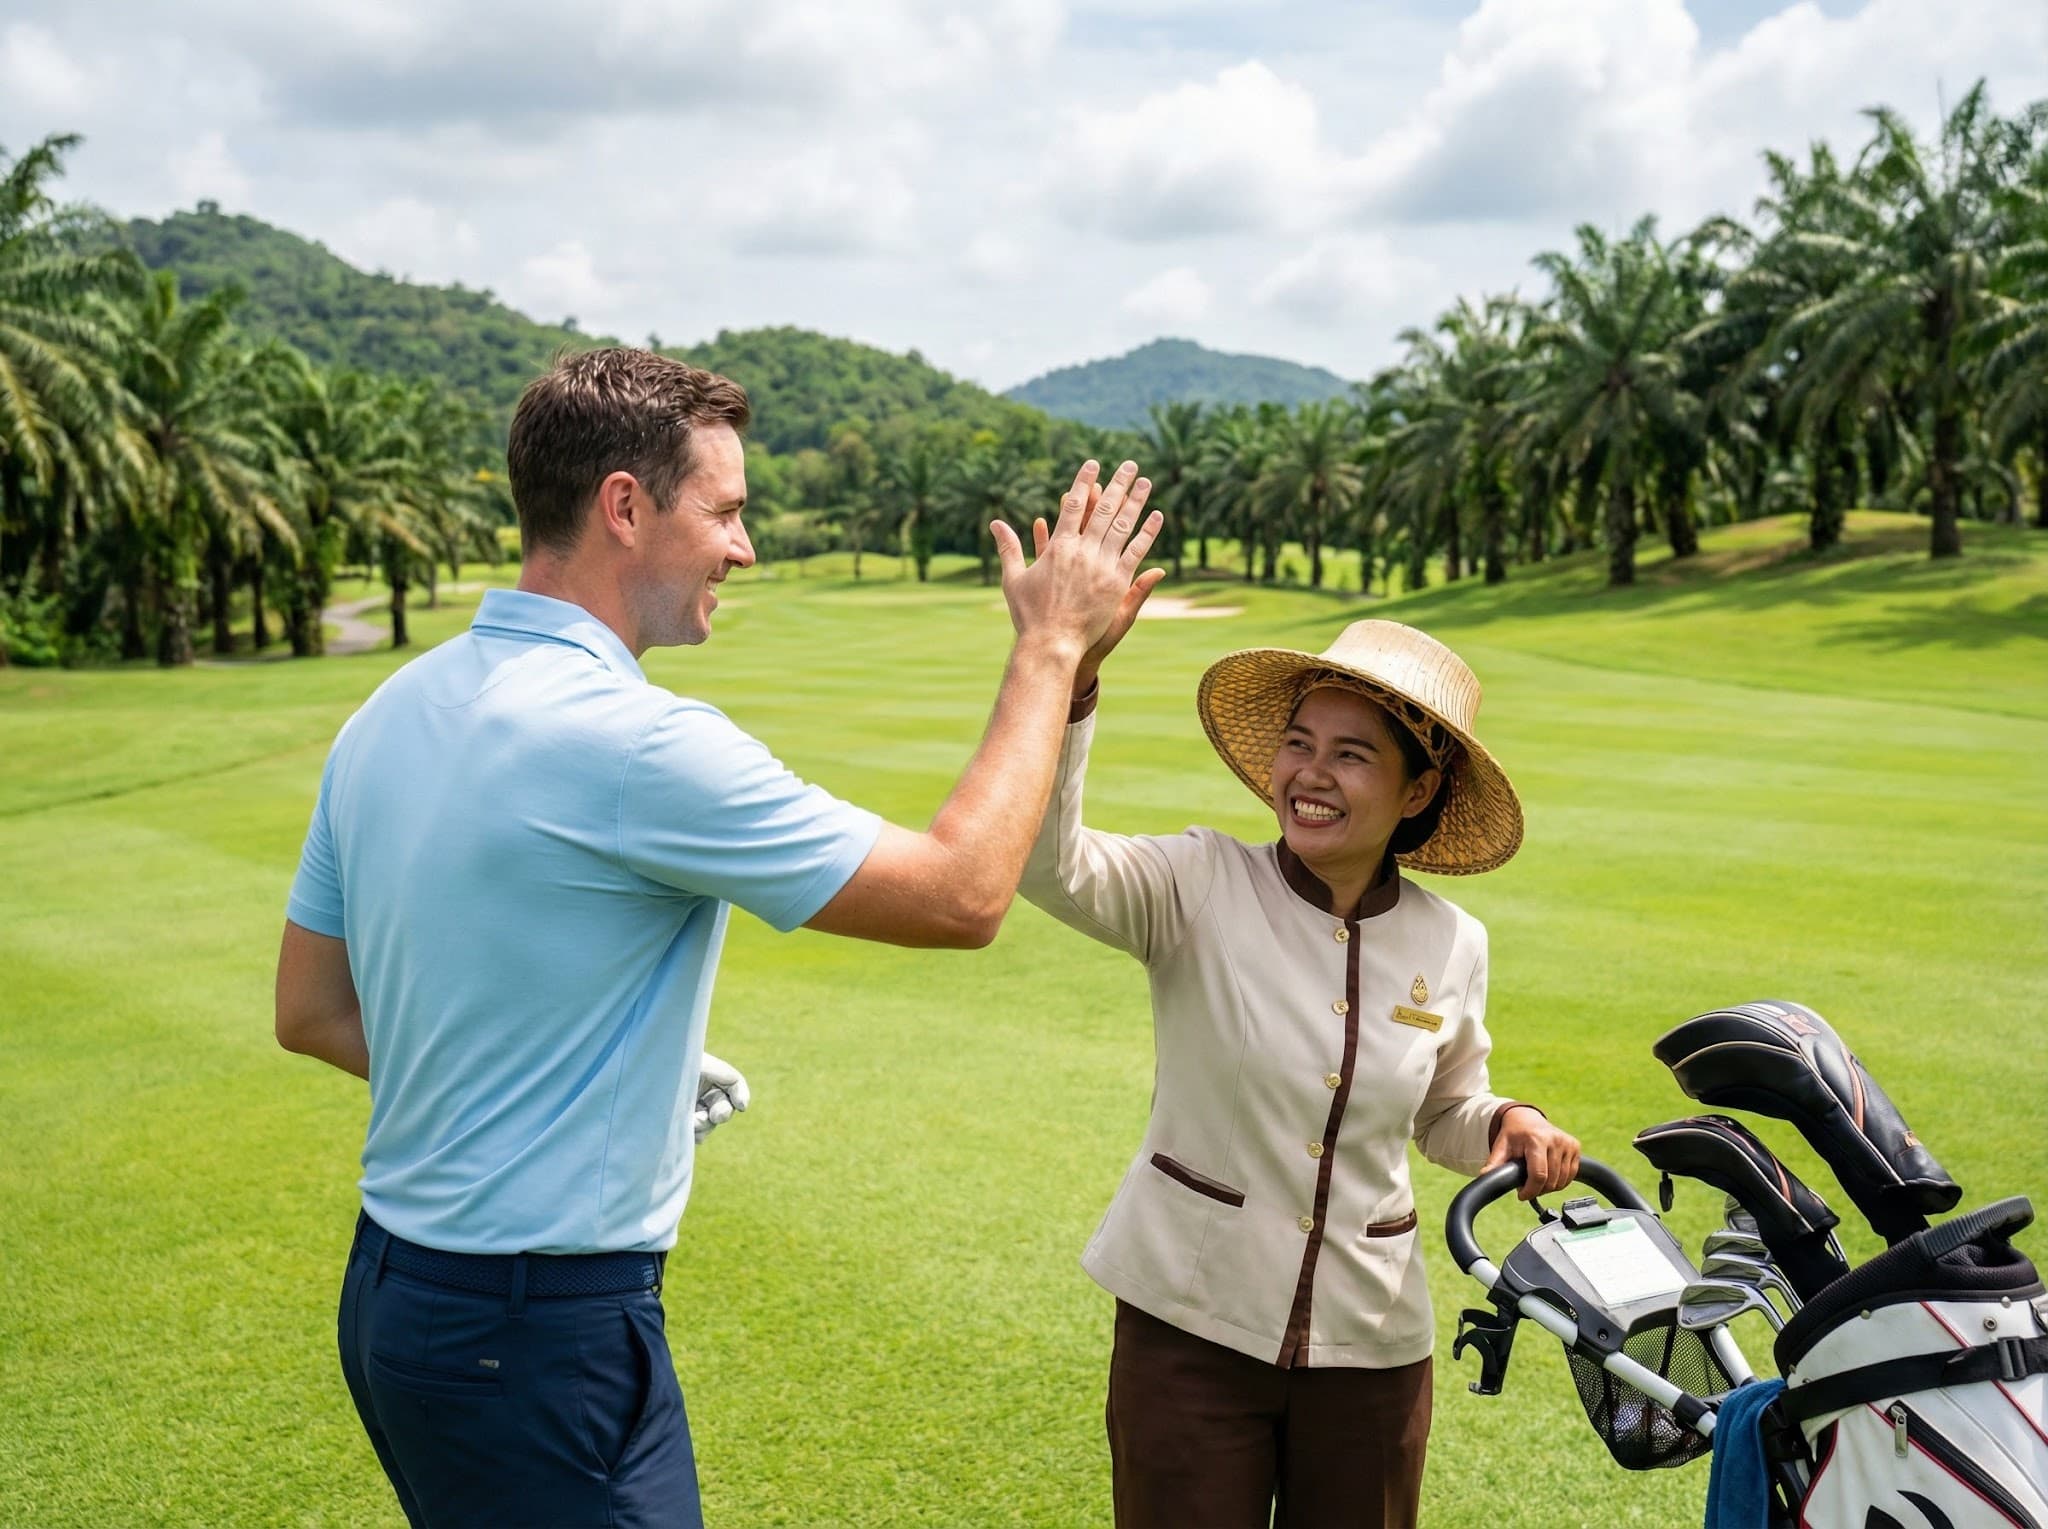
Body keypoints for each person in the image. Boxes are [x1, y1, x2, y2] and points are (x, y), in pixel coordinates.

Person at [272, 346, 1162, 1529]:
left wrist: (572, 1073)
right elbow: (960, 895)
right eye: (726, 511)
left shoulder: (389, 709)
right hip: (540, 1332)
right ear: (625, 507)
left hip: (396, 1301)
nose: (743, 547)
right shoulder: (638, 742)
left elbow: (314, 1011)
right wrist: (1051, 646)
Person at [1019, 609, 1581, 1529]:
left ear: (1417, 790)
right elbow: (1048, 863)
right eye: (1297, 743)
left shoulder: (1453, 939)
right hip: (1189, 1328)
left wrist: (1504, 1119)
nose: (1310, 774)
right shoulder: (1198, 882)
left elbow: (1445, 1107)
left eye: (1352, 754)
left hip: (1374, 1343)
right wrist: (1069, 680)